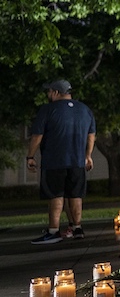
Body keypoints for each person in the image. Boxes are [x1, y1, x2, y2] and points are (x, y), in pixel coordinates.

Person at [27, 79, 96, 244]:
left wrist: (30, 156)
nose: (48, 94)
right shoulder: (85, 110)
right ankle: (77, 228)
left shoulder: (47, 110)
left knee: (56, 195)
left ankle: (53, 231)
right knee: (75, 195)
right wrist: (88, 155)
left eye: (49, 91)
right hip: (77, 161)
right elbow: (91, 135)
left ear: (56, 92)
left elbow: (37, 136)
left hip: (54, 160)